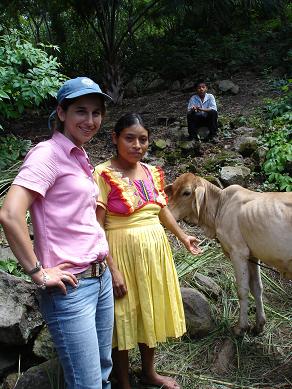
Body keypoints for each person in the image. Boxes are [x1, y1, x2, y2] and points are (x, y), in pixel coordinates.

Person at [0, 77, 114, 389]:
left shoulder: (78, 155)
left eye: (96, 113)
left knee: (103, 374)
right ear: (61, 113)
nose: (90, 121)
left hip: (100, 278)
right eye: (80, 111)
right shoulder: (47, 154)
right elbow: (10, 213)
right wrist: (37, 271)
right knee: (87, 384)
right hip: (71, 289)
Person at [94, 113, 202, 389]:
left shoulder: (151, 171)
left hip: (154, 253)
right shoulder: (102, 174)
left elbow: (162, 210)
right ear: (115, 138)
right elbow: (96, 226)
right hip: (120, 252)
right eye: (129, 138)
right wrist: (112, 269)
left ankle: (149, 372)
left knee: (147, 310)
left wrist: (183, 236)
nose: (137, 145)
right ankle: (123, 380)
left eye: (143, 139)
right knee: (123, 316)